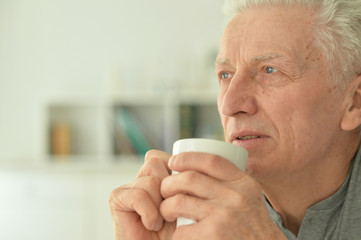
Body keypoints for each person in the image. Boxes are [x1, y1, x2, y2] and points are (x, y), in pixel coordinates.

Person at [108, 0, 361, 239]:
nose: (230, 105)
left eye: (270, 70)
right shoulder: (207, 212)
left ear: (354, 104)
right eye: (225, 74)